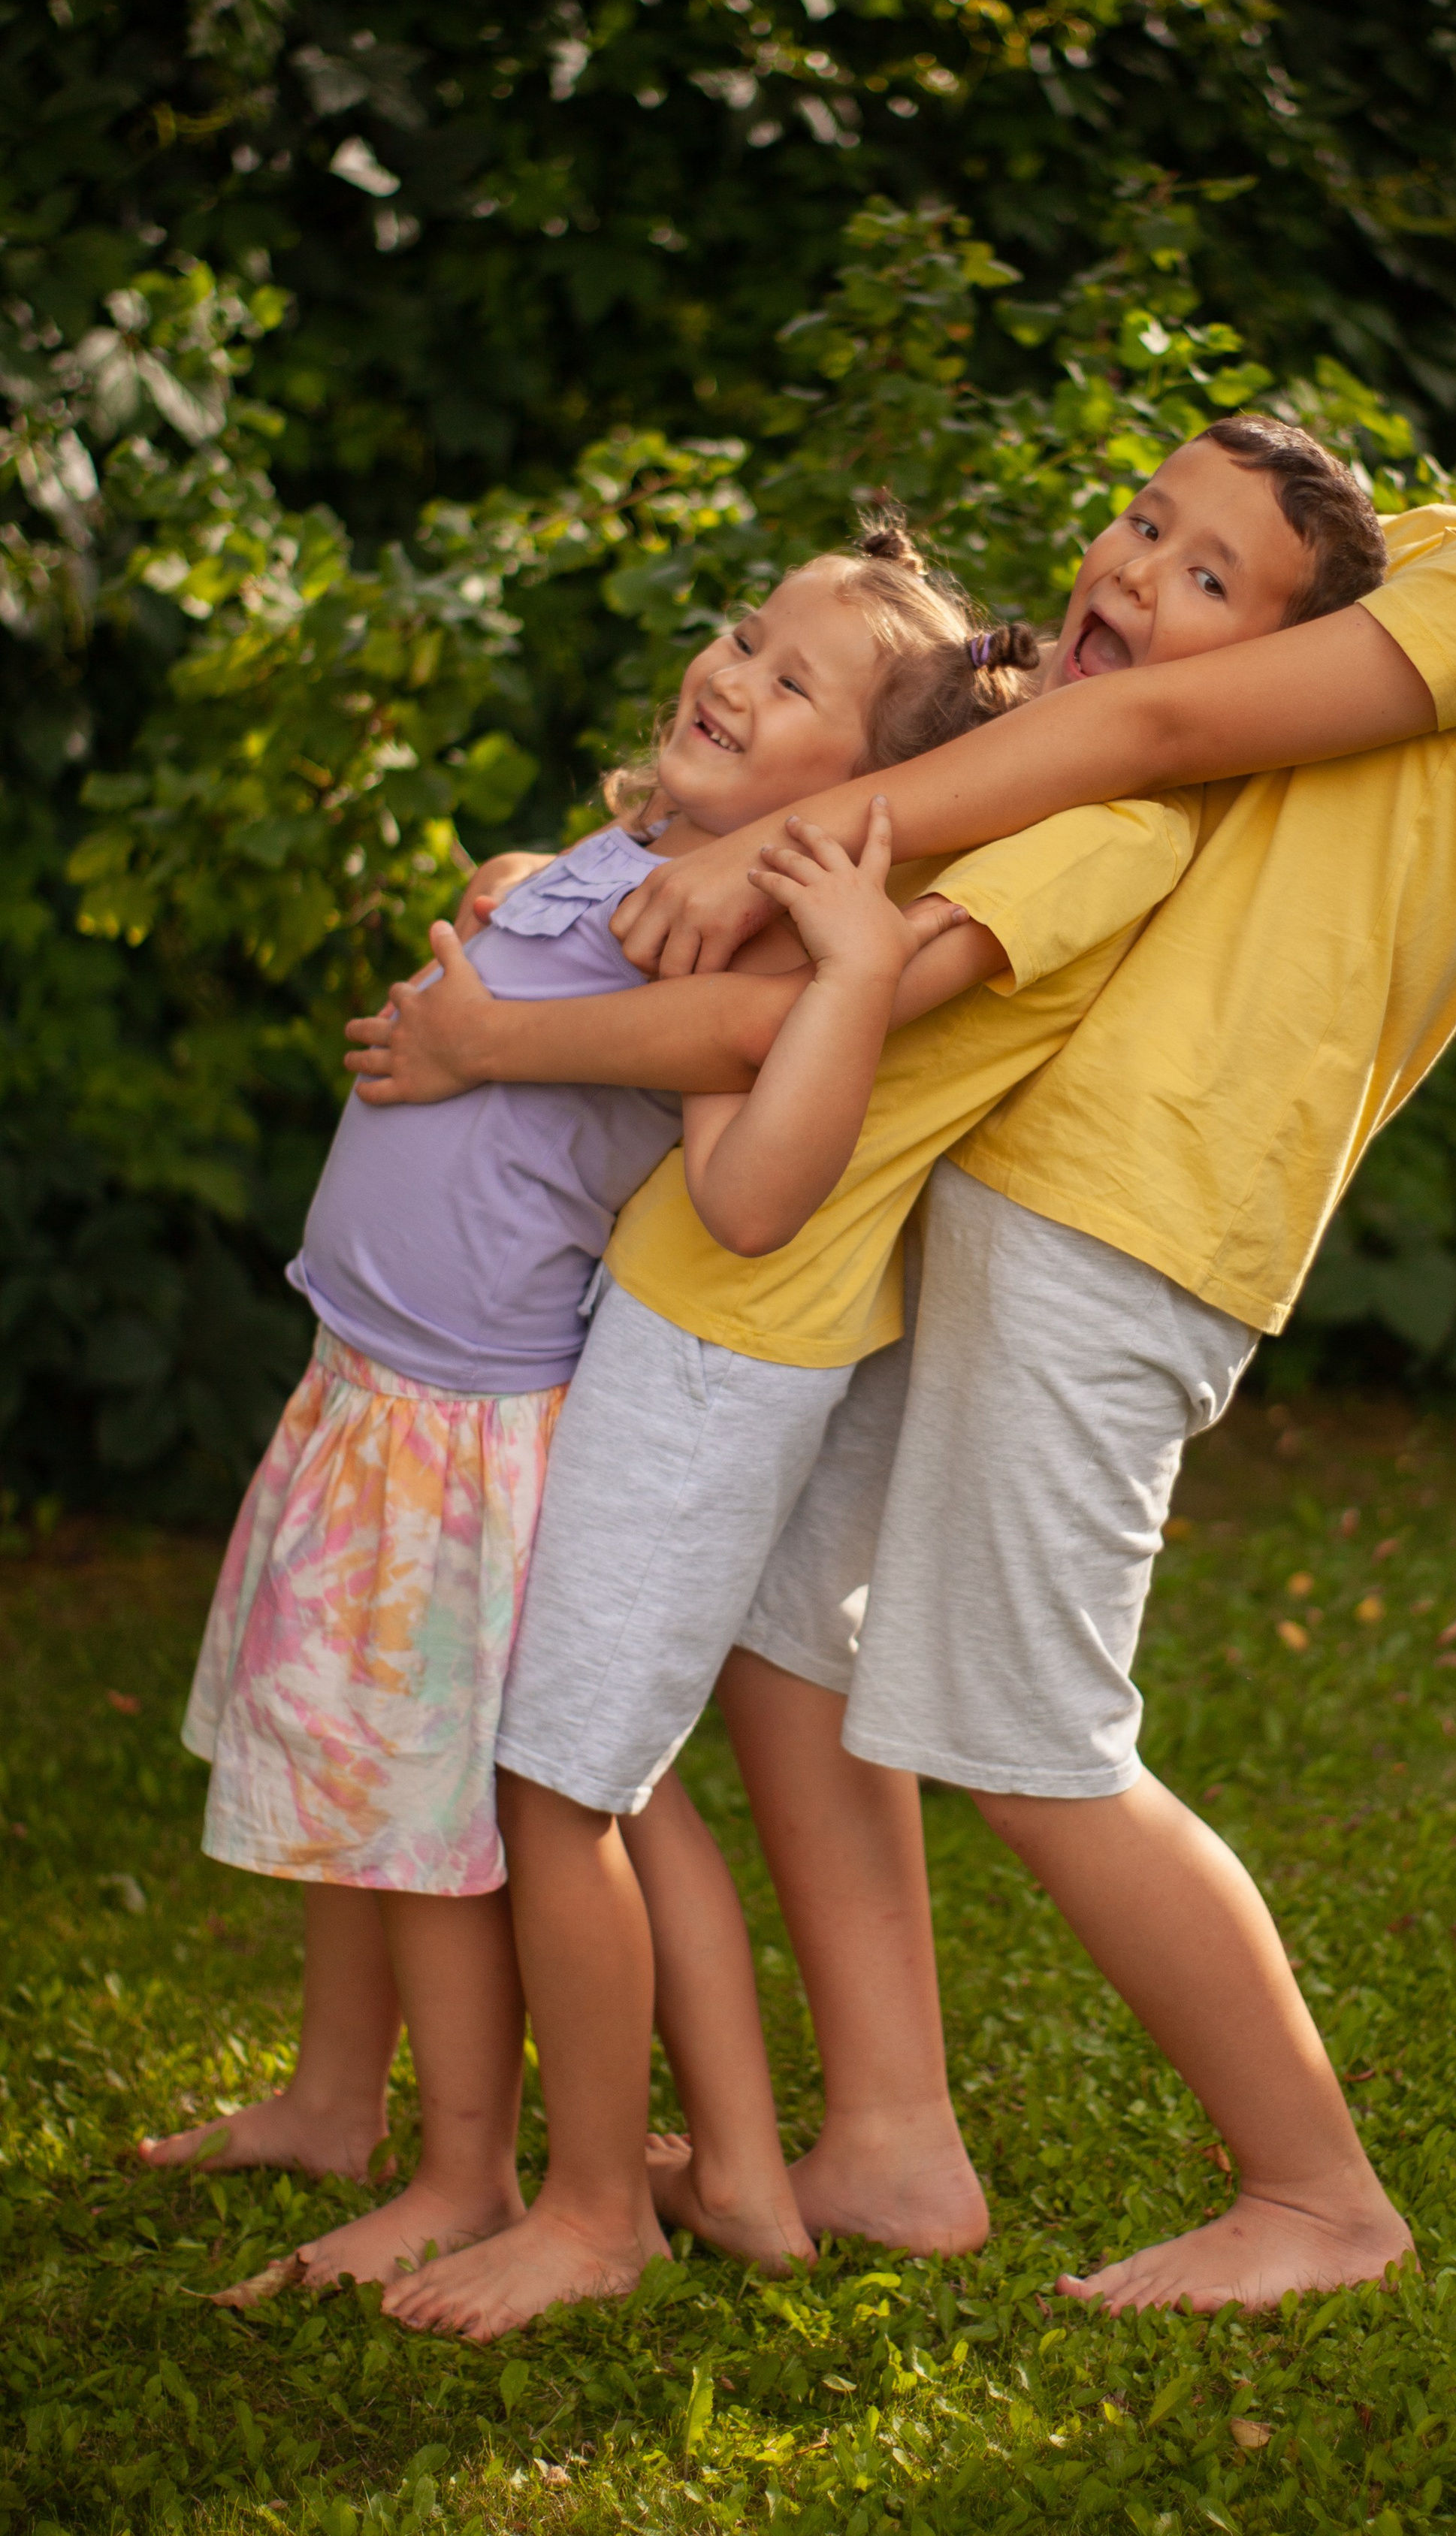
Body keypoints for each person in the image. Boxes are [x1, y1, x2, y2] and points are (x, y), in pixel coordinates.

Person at [528, 128, 1456, 2317]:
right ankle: (889, 2145)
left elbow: (1141, 714)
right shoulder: (1451, 547)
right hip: (1024, 1149)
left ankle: (1317, 2192)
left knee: (1033, 1730)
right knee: (785, 1635)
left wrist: (800, 849)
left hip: (1136, 1210)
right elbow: (1123, 684)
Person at [350, 422, 1391, 2342]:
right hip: (689, 1316)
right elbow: (741, 937)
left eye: (1208, 579)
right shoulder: (1019, 786)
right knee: (594, 1756)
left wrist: (495, 1034)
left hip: (725, 1330)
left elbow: (787, 1027)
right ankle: (762, 2168)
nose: (1139, 571)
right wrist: (573, 902)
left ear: (1253, 668)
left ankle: (590, 2209)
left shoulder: (1106, 829)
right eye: (1146, 523)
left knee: (558, 1778)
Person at [140, 527, 1036, 2292]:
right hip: (369, 1375)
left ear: (863, 793)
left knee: (470, 1804)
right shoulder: (630, 861)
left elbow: (736, 1128)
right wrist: (531, 877)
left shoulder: (746, 943)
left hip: (470, 1415)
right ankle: (337, 2097)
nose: (731, 672)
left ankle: (479, 2169)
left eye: (794, 683)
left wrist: (527, 1012)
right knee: (359, 1766)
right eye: (739, 636)